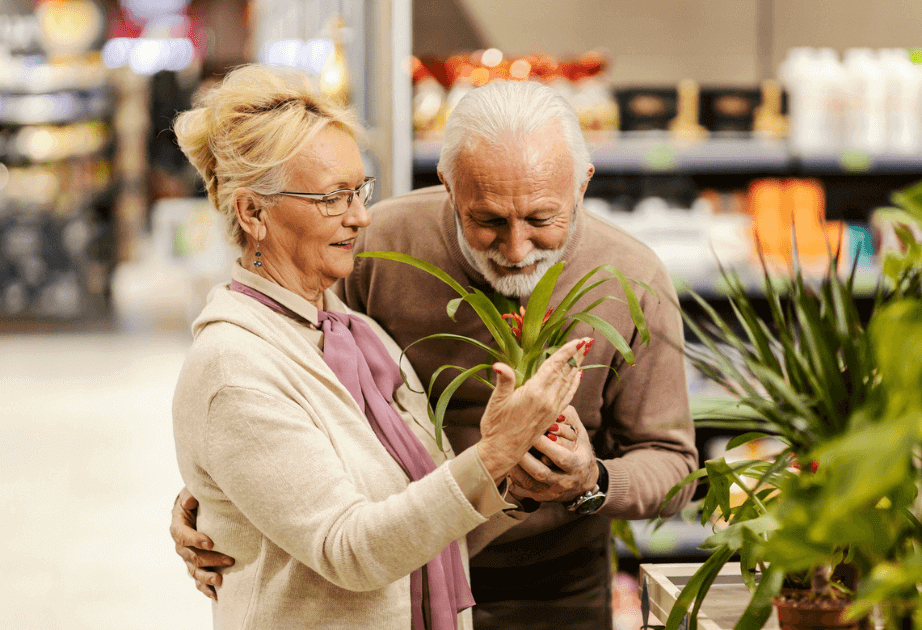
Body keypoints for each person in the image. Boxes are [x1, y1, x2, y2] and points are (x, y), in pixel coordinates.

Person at [172, 79, 699, 628]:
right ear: (448, 184)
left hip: (552, 583)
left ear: (583, 183)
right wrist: (225, 496)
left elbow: (675, 464)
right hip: (396, 578)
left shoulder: (631, 279)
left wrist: (592, 483)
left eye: (543, 219)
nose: (517, 250)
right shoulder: (374, 256)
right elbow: (270, 402)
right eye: (488, 220)